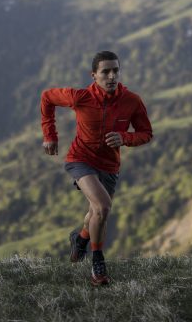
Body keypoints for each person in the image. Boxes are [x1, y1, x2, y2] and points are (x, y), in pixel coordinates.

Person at [40, 51, 153, 286]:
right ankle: (97, 263)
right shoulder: (79, 97)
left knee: (95, 213)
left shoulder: (132, 101)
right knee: (103, 207)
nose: (111, 76)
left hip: (110, 165)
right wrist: (50, 135)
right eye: (105, 72)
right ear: (94, 75)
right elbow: (47, 97)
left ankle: (80, 238)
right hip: (80, 159)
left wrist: (125, 138)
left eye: (115, 71)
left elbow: (146, 134)